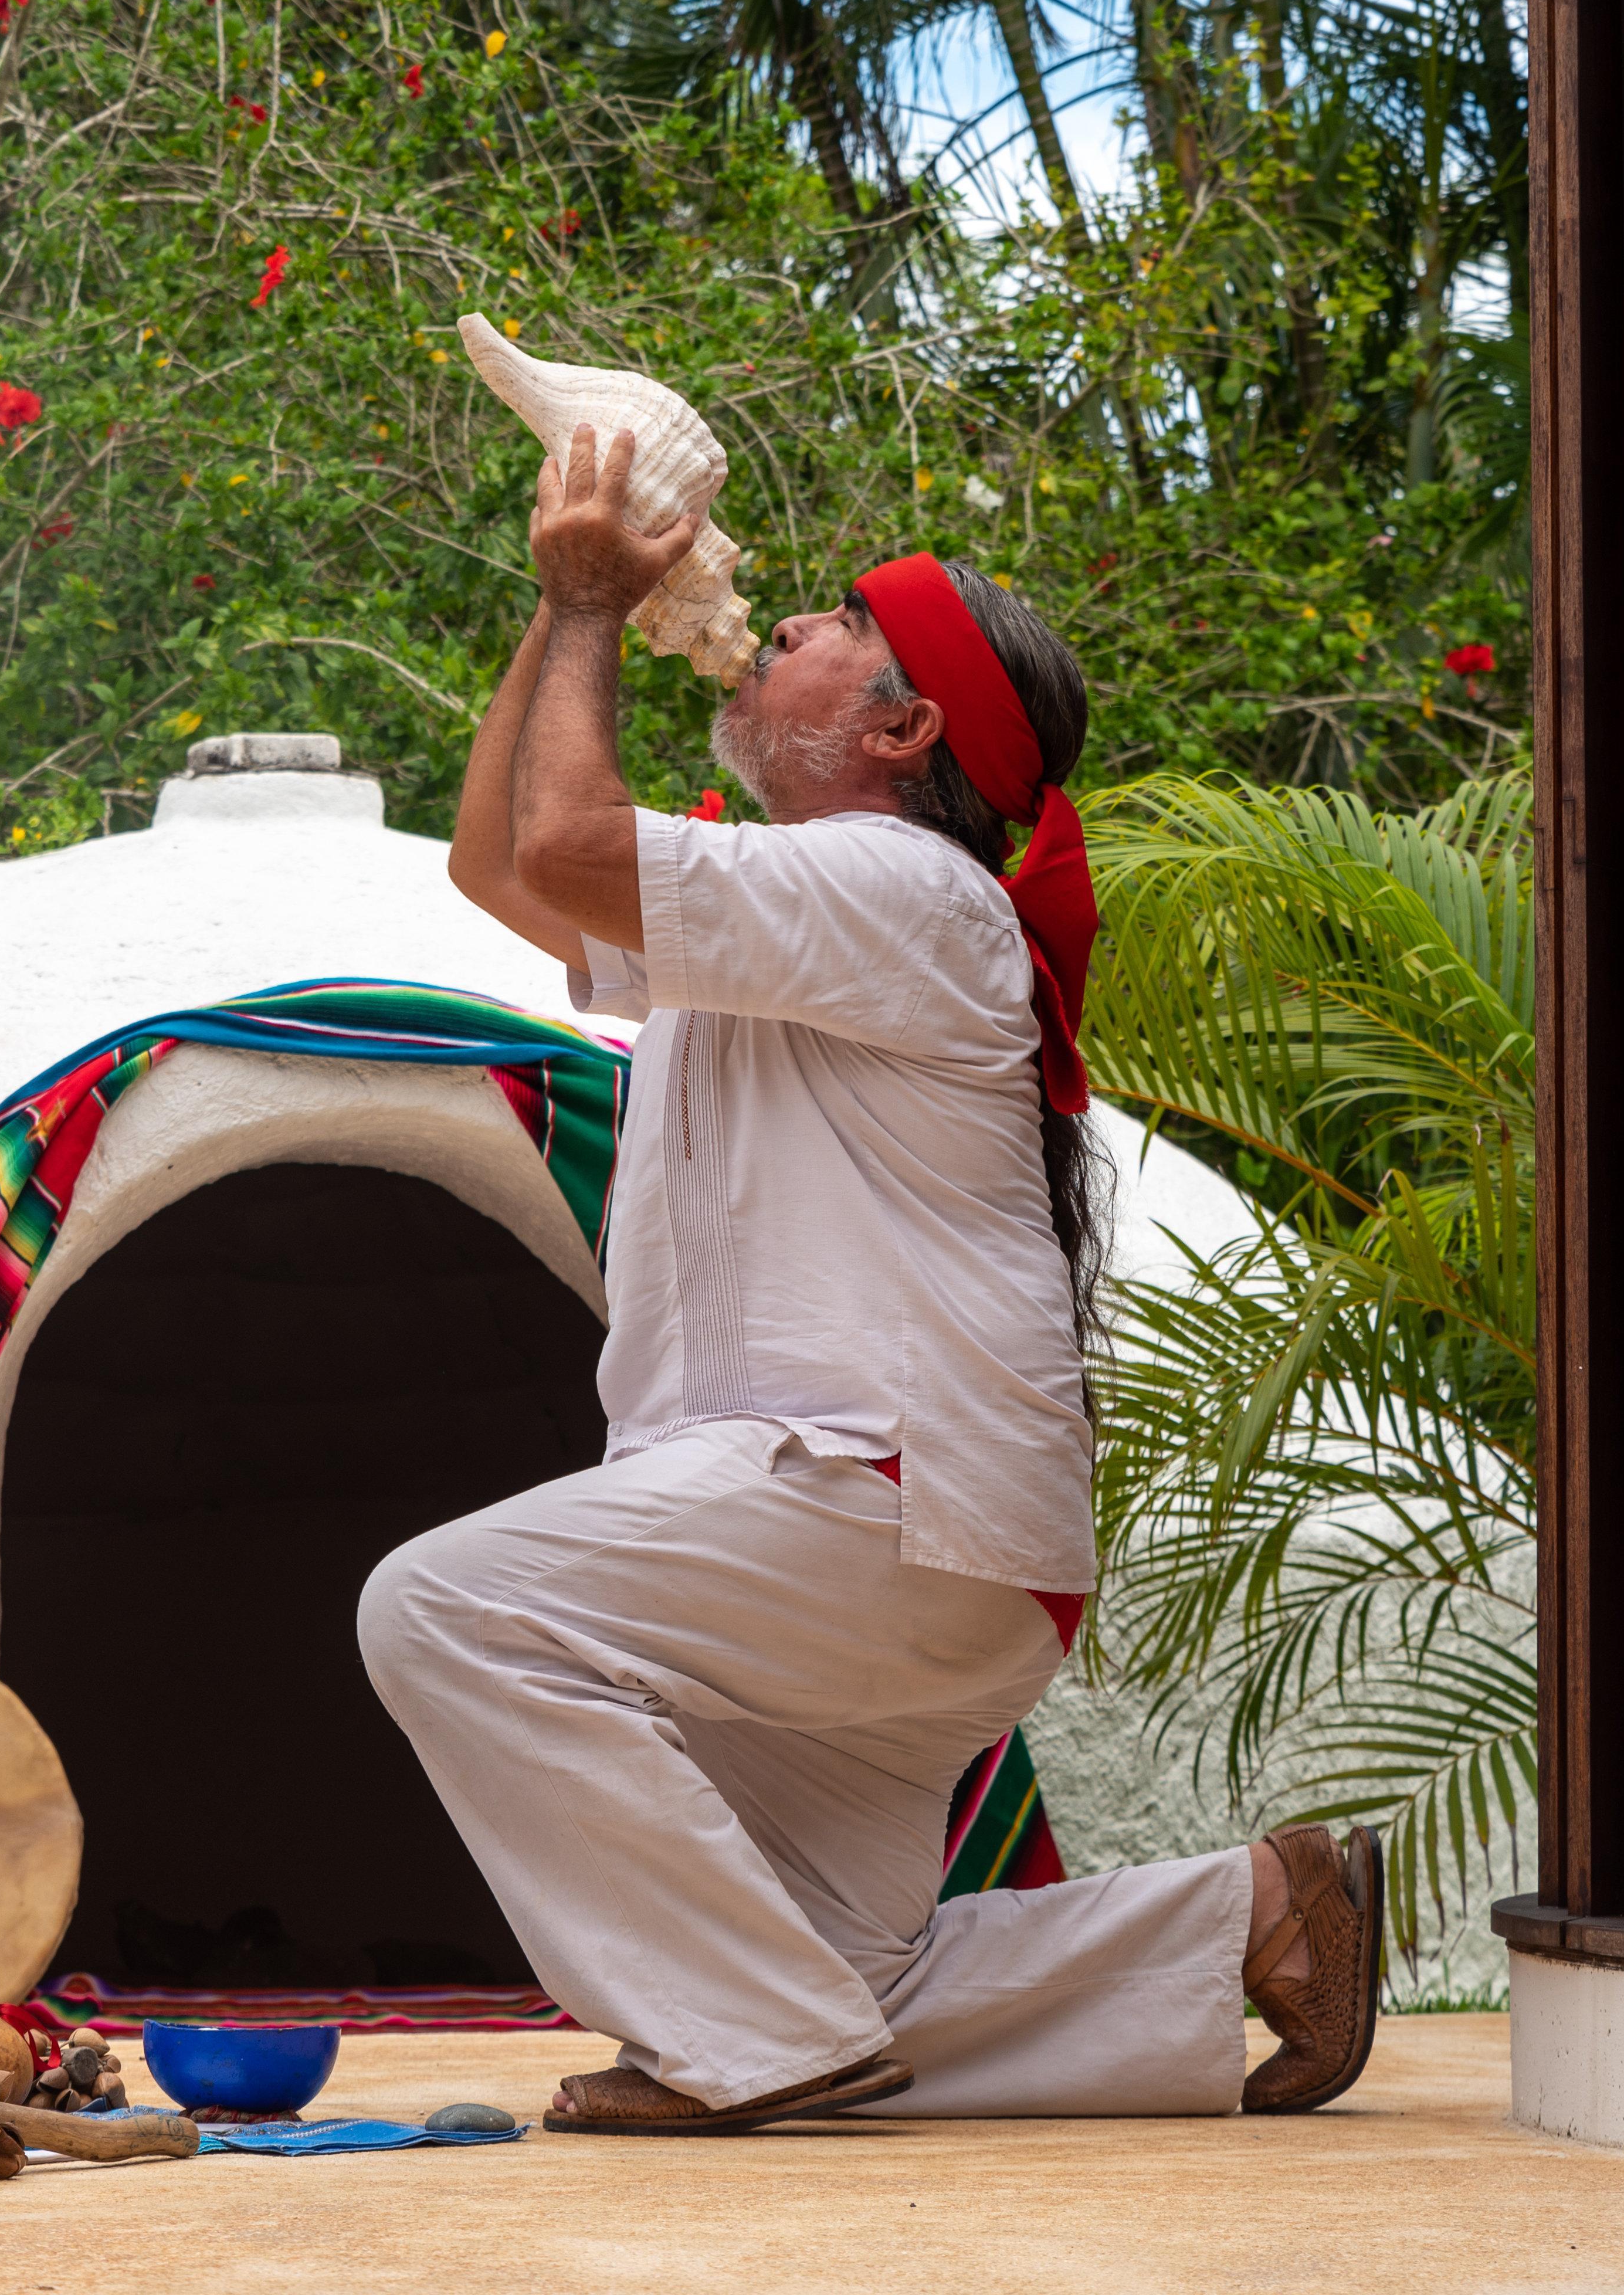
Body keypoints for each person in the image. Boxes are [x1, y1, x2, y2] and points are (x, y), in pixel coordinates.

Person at [355, 425, 1384, 2131]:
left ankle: (755, 2048)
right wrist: (566, 607)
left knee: (445, 1606)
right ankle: (1257, 1912)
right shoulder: (814, 906)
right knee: (837, 1974)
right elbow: (501, 866)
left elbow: (563, 838)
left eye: (830, 626)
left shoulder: (903, 886)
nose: (784, 630)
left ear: (898, 733)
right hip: (912, 1548)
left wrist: (593, 600)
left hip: (868, 1507)